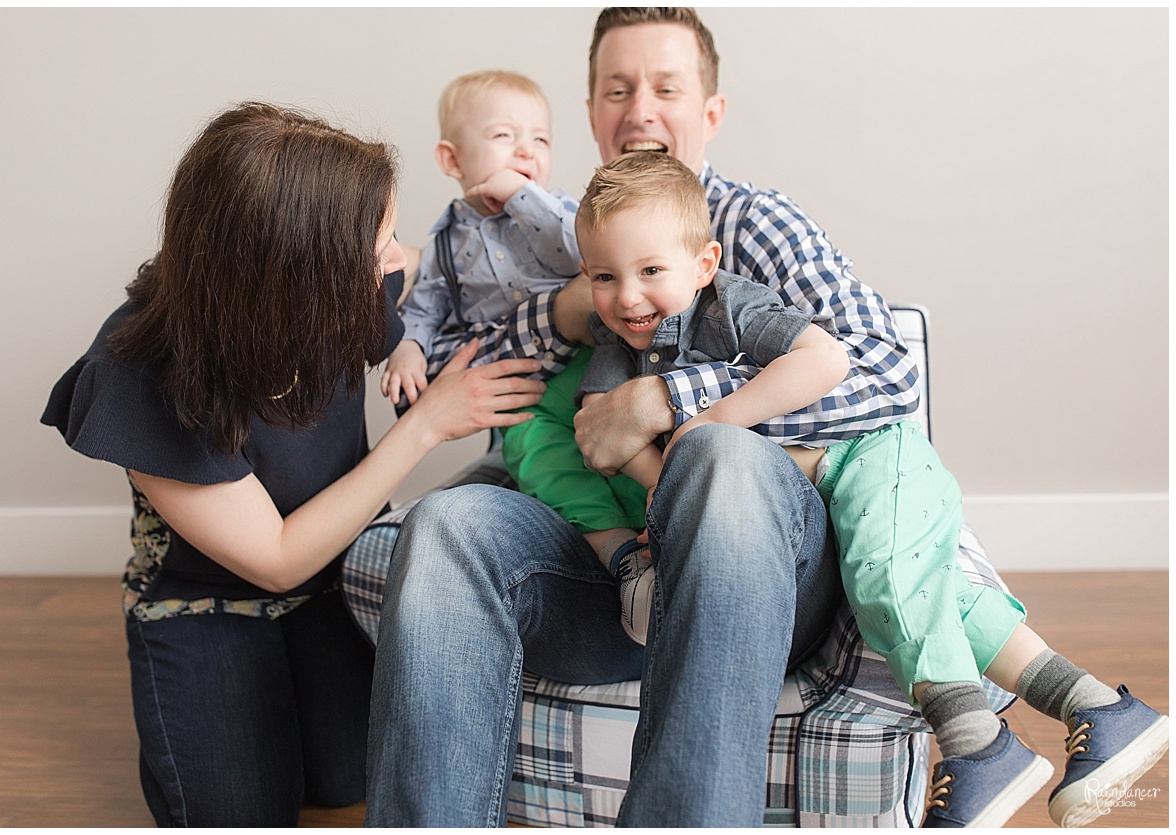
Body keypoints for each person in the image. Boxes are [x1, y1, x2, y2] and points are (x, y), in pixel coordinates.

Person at [366, 8, 932, 826]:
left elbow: (889, 372)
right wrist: (567, 303)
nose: (639, 110)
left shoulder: (752, 224)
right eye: (616, 90)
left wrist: (670, 402)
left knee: (719, 458)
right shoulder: (565, 241)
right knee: (448, 523)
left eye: (666, 88)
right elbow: (491, 353)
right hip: (615, 572)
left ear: (710, 114)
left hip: (762, 576)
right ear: (592, 113)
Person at [541, 150, 1168, 828]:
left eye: (650, 272)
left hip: (867, 455)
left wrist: (707, 425)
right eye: (604, 276)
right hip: (820, 501)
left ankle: (976, 742)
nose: (627, 296)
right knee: (929, 592)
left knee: (885, 577)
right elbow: (601, 433)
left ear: (703, 263)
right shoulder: (616, 342)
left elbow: (828, 357)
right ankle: (1101, 708)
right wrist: (670, 490)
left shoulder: (732, 307)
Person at [40, 102, 546, 827]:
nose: (394, 258)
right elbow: (273, 559)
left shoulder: (348, 284)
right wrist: (427, 427)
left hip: (334, 579)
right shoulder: (141, 372)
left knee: (346, 781)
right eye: (381, 241)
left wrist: (502, 208)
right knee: (240, 811)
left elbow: (435, 296)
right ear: (297, 267)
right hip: (204, 600)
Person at [381, 70, 581, 405]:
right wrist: (407, 348)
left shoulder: (557, 210)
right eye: (504, 135)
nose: (527, 151)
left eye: (540, 140)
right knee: (535, 452)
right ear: (453, 159)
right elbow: (424, 308)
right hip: (518, 389)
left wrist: (522, 195)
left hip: (584, 360)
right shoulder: (446, 244)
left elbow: (576, 255)